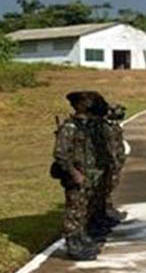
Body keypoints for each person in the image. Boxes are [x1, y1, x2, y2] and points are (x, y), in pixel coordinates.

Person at [50, 90, 107, 261]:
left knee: (84, 209)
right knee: (74, 211)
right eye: (87, 102)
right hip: (77, 175)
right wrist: (74, 173)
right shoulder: (70, 127)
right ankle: (73, 245)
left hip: (90, 175)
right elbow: (60, 154)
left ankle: (81, 238)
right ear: (80, 106)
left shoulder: (88, 126)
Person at [89, 102, 128, 238]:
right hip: (104, 163)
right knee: (101, 190)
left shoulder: (111, 126)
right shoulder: (101, 127)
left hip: (112, 161)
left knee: (108, 187)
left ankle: (105, 212)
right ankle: (98, 217)